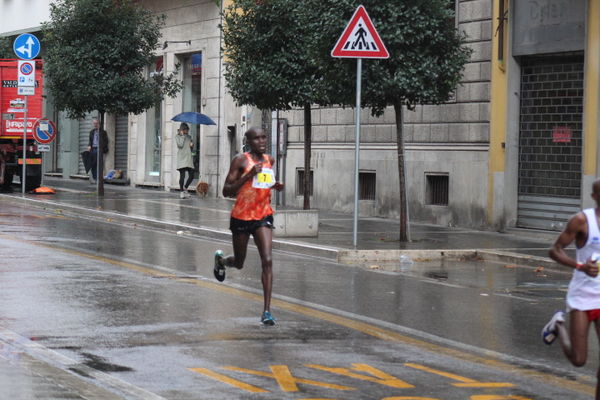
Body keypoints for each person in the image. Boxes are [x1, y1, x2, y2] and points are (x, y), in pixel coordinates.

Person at [214, 127, 284, 326]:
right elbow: (226, 191)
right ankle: (222, 261)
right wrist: (248, 175)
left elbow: (263, 184)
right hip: (241, 217)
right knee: (239, 262)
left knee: (268, 260)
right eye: (257, 138)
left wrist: (275, 185)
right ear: (249, 141)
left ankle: (267, 311)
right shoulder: (240, 161)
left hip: (263, 215)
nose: (262, 141)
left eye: (264, 137)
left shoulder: (270, 160)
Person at [544, 179, 600, 400]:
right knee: (579, 359)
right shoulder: (581, 221)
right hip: (583, 297)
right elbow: (554, 250)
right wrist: (580, 266)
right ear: (594, 196)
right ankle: (558, 325)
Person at [175, 122, 195, 199]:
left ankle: (185, 188)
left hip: (188, 158)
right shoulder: (177, 136)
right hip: (181, 158)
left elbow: (191, 148)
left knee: (192, 175)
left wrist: (192, 145)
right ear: (182, 130)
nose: (187, 131)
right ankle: (181, 192)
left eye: (188, 129)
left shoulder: (189, 137)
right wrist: (182, 136)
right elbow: (180, 145)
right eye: (186, 129)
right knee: (182, 176)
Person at [87, 118, 109, 184]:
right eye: (94, 123)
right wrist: (89, 146)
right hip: (93, 149)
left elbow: (106, 141)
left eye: (96, 123)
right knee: (93, 165)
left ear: (99, 124)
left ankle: (98, 179)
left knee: (99, 164)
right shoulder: (91, 132)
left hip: (99, 149)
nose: (95, 125)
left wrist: (101, 147)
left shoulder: (103, 132)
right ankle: (95, 178)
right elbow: (90, 141)